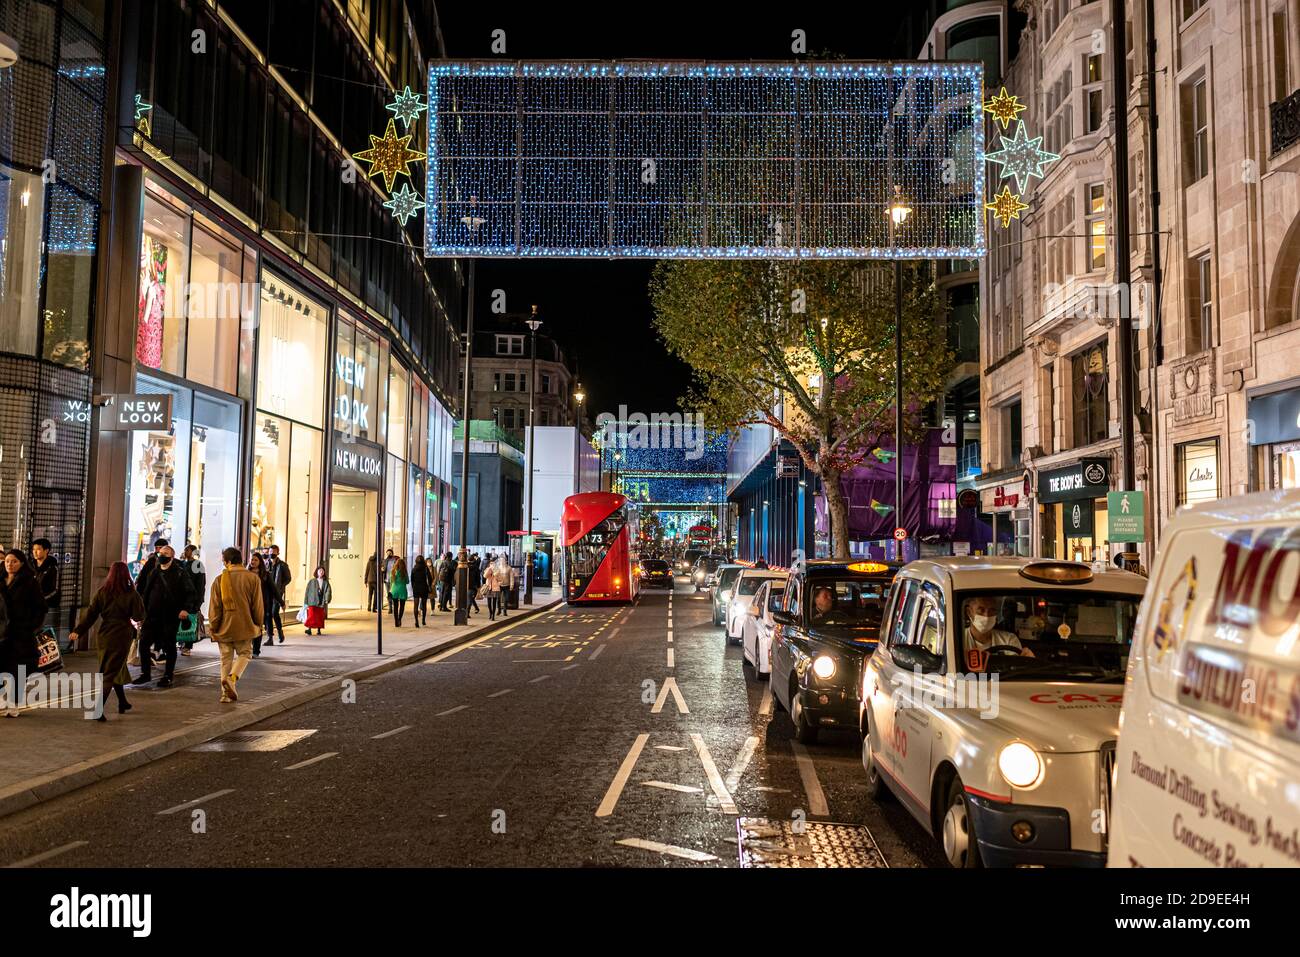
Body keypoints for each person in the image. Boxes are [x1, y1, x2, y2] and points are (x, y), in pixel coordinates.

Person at [70, 562, 143, 721]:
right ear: (126, 574)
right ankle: (98, 709)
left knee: (115, 667)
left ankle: (123, 702)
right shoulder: (131, 594)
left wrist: (78, 631)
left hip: (104, 635)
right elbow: (138, 616)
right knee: (110, 672)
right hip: (122, 635)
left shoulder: (102, 592)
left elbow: (91, 615)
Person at [133, 542, 197, 688]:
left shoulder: (180, 573)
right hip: (152, 615)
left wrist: (185, 609)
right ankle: (145, 673)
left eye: (165, 554)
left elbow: (191, 593)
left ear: (172, 557)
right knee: (144, 643)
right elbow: (147, 592)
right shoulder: (154, 572)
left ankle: (168, 676)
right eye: (161, 554)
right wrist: (143, 612)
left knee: (169, 646)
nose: (162, 556)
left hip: (170, 616)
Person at [208, 547, 264, 703]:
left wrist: (213, 626)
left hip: (224, 627)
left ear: (228, 561)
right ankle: (232, 679)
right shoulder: (253, 578)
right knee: (245, 654)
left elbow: (215, 607)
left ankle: (225, 695)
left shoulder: (220, 580)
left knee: (225, 659)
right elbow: (257, 605)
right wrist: (258, 623)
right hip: (245, 626)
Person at [0, 549, 47, 713]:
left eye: (14, 561)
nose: (9, 565)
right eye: (7, 561)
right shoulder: (0, 581)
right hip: (1, 633)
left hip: (21, 633)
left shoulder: (29, 582)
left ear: (21, 563)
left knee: (18, 669)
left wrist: (31, 627)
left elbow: (40, 608)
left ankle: (14, 703)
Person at [962, 596, 1034, 672]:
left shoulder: (1009, 639)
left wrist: (1029, 662)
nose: (986, 616)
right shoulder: (958, 639)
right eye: (981, 610)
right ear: (969, 612)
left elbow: (1016, 671)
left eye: (992, 610)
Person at [29, 538, 61, 648]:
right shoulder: (30, 566)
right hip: (30, 605)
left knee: (41, 633)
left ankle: (45, 657)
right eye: (33, 549)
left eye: (38, 549)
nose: (35, 552)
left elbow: (55, 589)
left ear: (46, 550)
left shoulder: (52, 568)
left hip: (45, 605)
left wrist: (41, 599)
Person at [177, 544, 205, 656]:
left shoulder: (198, 565)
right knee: (182, 620)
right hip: (181, 598)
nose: (185, 552)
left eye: (187, 550)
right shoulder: (182, 563)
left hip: (192, 598)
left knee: (190, 620)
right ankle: (182, 642)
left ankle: (188, 645)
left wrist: (198, 601)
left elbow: (201, 584)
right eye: (184, 550)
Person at [248, 553, 277, 658]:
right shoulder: (246, 574)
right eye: (252, 560)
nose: (253, 562)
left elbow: (273, 589)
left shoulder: (265, 574)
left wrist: (281, 602)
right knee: (248, 627)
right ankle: (248, 648)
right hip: (248, 604)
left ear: (260, 562)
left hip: (261, 604)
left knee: (258, 627)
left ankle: (256, 650)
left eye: (255, 560)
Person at [264, 544, 291, 644]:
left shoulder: (283, 565)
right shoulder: (266, 564)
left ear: (277, 553)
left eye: (273, 552)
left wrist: (280, 586)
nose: (271, 554)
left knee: (274, 613)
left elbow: (288, 578)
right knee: (268, 614)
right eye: (270, 552)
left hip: (277, 593)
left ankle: (280, 632)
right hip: (267, 593)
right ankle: (270, 637)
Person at [303, 566, 331, 635]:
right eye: (319, 571)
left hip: (321, 601)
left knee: (319, 616)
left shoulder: (325, 582)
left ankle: (318, 630)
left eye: (322, 571)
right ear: (317, 572)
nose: (321, 572)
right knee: (311, 615)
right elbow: (307, 591)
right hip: (312, 601)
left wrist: (327, 599)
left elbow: (328, 591)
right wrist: (306, 602)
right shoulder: (312, 581)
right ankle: (309, 629)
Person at [410, 556, 432, 626]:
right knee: (424, 605)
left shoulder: (414, 569)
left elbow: (412, 579)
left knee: (416, 605)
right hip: (424, 588)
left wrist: (413, 587)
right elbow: (430, 578)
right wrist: (429, 586)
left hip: (416, 588)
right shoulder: (425, 568)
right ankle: (423, 620)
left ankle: (416, 621)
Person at [389, 557, 409, 627]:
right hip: (402, 590)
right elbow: (407, 581)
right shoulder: (404, 572)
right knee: (402, 606)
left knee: (395, 607)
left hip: (394, 590)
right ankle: (399, 619)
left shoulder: (393, 571)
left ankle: (396, 621)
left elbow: (391, 581)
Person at [484, 556, 502, 621]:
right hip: (489, 587)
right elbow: (485, 576)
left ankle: (493, 616)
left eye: (493, 563)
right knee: (489, 603)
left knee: (494, 602)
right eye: (491, 563)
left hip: (495, 588)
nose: (492, 564)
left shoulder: (497, 570)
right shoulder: (488, 569)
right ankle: (490, 613)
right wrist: (489, 570)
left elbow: (500, 579)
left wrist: (496, 574)